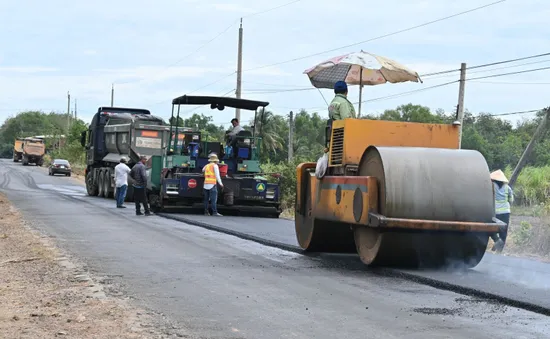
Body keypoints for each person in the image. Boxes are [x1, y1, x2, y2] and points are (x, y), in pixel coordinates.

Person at [490, 169, 514, 252]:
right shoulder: (508, 188)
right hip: (506, 212)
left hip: (495, 212)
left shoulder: (491, 185)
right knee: (503, 231)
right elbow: (511, 200)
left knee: (490, 228)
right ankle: (499, 252)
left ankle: (496, 240)